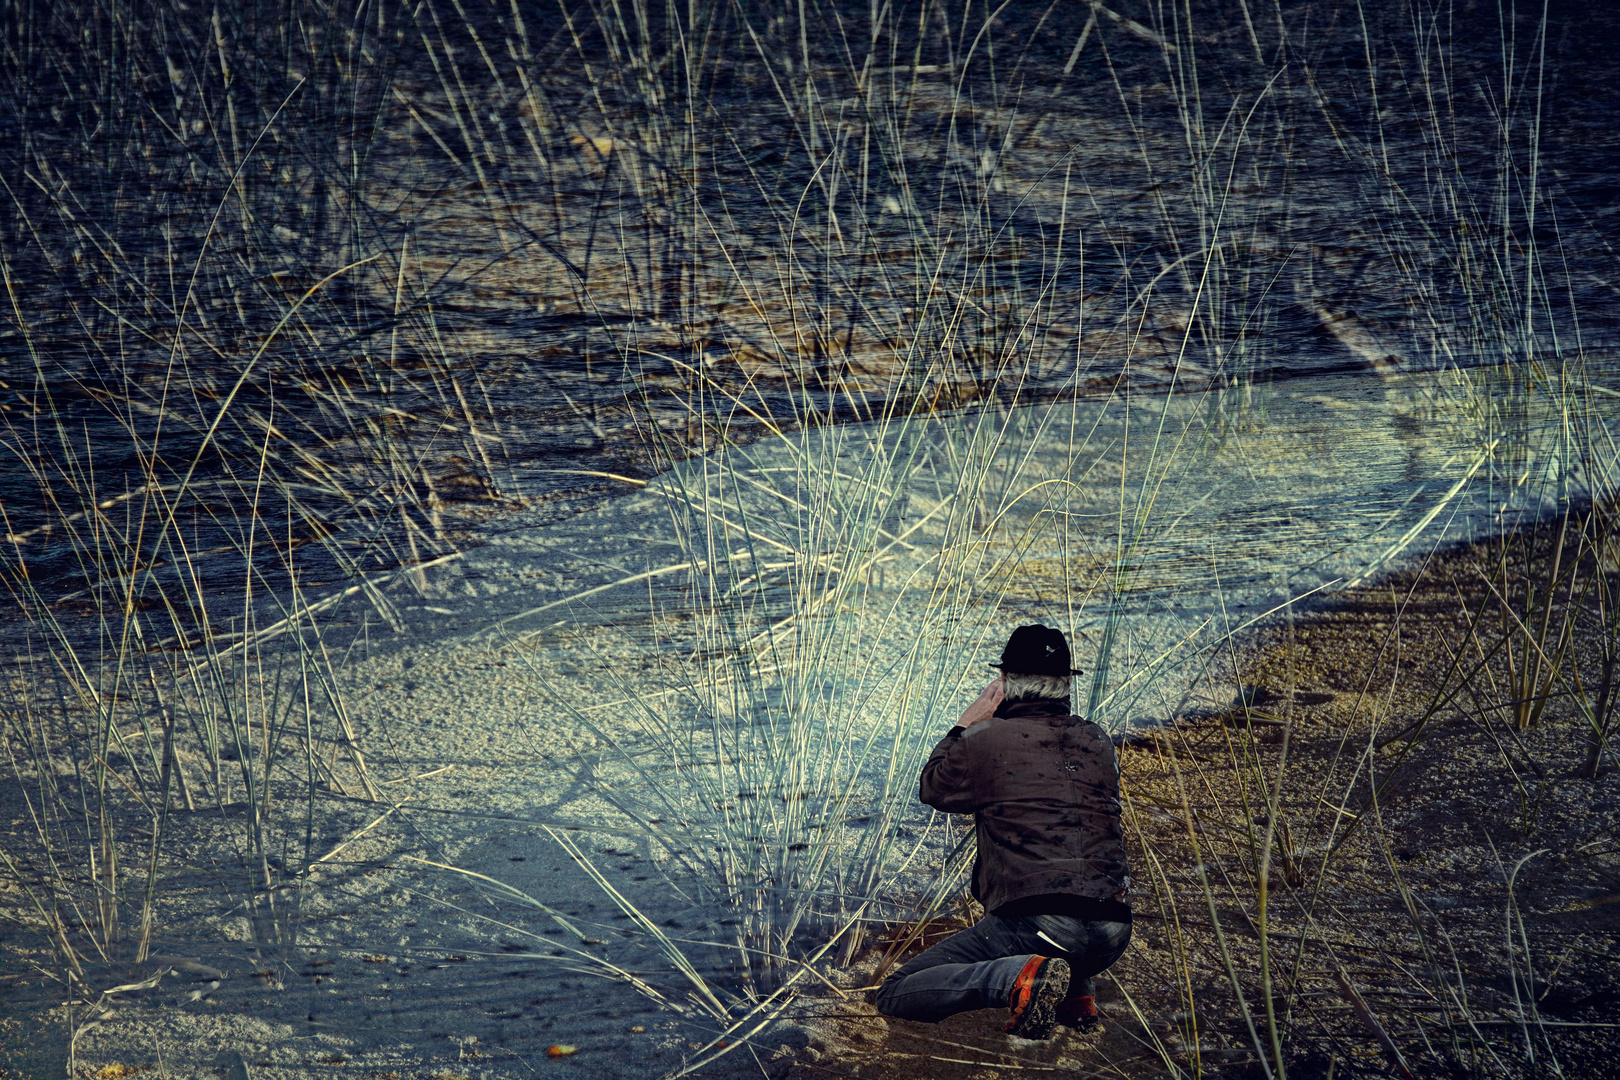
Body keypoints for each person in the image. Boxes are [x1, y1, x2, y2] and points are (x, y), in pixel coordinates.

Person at [874, 624, 1132, 1040]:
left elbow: (934, 787)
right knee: (1073, 869)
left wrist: (964, 724)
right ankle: (1077, 994)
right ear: (1066, 684)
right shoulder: (1096, 738)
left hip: (1039, 928)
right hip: (1113, 931)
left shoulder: (984, 739)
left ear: (1005, 683)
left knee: (895, 992)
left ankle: (1020, 978)